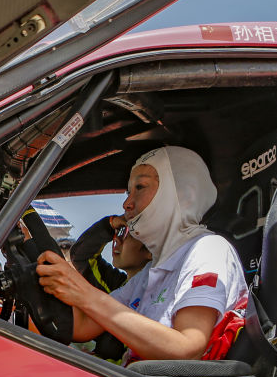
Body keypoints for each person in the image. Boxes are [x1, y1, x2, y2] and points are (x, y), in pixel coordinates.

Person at [36, 146, 247, 362]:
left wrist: (85, 294)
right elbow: (81, 326)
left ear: (185, 195)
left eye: (140, 187)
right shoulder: (148, 273)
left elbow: (187, 348)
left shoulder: (207, 248)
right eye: (129, 192)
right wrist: (34, 284)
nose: (126, 204)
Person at [69, 215, 152, 360]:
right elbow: (81, 256)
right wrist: (110, 224)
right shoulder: (117, 286)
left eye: (127, 234)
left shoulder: (157, 297)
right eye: (118, 232)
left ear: (150, 250)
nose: (116, 240)